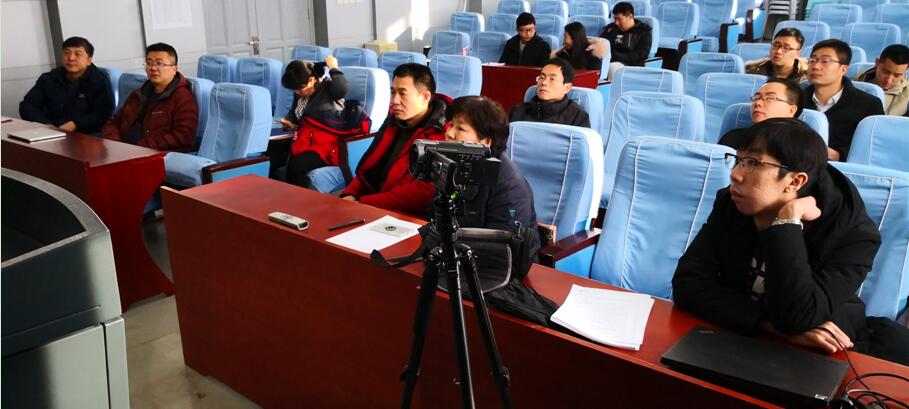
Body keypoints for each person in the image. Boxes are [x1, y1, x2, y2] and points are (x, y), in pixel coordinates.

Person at [673, 118, 909, 366]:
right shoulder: (731, 203)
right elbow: (687, 285)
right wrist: (768, 324)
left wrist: (787, 223)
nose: (735, 174)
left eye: (753, 163)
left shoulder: (854, 235)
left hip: (825, 353)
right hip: (737, 337)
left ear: (795, 181)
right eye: (738, 160)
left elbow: (797, 316)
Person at [339, 63, 448, 215]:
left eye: (403, 94)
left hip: (402, 214)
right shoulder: (393, 122)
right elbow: (370, 168)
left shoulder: (442, 134)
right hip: (373, 204)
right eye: (393, 92)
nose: (394, 101)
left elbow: (422, 192)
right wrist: (351, 193)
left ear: (425, 97)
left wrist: (364, 203)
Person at [444, 95, 541, 258]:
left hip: (496, 265)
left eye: (460, 129)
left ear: (486, 141)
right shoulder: (455, 165)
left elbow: (502, 246)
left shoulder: (509, 185)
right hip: (457, 255)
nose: (449, 133)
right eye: (451, 125)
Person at [102, 43, 198, 151]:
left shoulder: (182, 97)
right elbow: (112, 122)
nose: (153, 68)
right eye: (149, 63)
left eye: (159, 63)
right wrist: (117, 144)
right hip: (123, 150)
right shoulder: (138, 94)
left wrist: (138, 147)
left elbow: (183, 136)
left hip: (153, 154)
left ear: (174, 69)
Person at [804, 39, 884, 162]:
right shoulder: (796, 98)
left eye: (825, 61)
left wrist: (839, 155)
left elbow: (874, 149)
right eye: (812, 60)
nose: (815, 66)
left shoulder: (869, 105)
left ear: (843, 69)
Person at [278, 56, 351, 188]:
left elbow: (342, 88)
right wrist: (289, 121)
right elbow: (294, 113)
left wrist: (333, 68)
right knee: (282, 160)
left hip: (327, 145)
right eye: (294, 89)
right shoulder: (300, 94)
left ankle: (302, 199)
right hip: (306, 142)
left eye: (300, 88)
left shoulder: (328, 89)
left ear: (312, 79)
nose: (297, 92)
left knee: (298, 165)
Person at [19, 36, 114, 134]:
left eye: (77, 54)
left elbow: (103, 113)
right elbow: (27, 106)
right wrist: (46, 125)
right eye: (66, 53)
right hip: (49, 132)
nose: (71, 58)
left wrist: (75, 124)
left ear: (89, 60)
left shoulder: (99, 80)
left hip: (85, 134)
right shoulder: (49, 78)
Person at [719, 78, 804, 149]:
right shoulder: (733, 138)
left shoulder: (801, 145)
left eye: (770, 98)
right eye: (756, 97)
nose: (758, 103)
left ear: (791, 110)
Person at [508, 58, 590, 128]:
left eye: (552, 79)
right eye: (541, 77)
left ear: (567, 87)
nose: (544, 83)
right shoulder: (517, 111)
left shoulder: (577, 117)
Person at [598, 2, 653, 80]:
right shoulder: (612, 29)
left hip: (630, 65)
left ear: (630, 16)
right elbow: (601, 42)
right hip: (608, 61)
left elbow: (638, 55)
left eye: (619, 19)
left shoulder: (643, 33)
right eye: (615, 19)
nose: (616, 23)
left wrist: (612, 56)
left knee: (612, 68)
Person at [855, 44, 909, 117]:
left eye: (897, 75)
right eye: (885, 72)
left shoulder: (907, 95)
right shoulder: (854, 82)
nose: (889, 80)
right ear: (877, 62)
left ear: (906, 71)